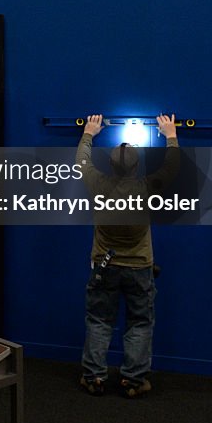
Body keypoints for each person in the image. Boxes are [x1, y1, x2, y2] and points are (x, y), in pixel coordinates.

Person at [76, 113, 180, 398]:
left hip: (103, 266)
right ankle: (134, 380)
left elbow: (81, 163)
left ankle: (94, 378)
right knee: (140, 322)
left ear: (110, 164)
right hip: (139, 268)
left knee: (99, 320)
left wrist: (88, 133)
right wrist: (170, 134)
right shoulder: (147, 187)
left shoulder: (99, 184)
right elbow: (171, 167)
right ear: (137, 166)